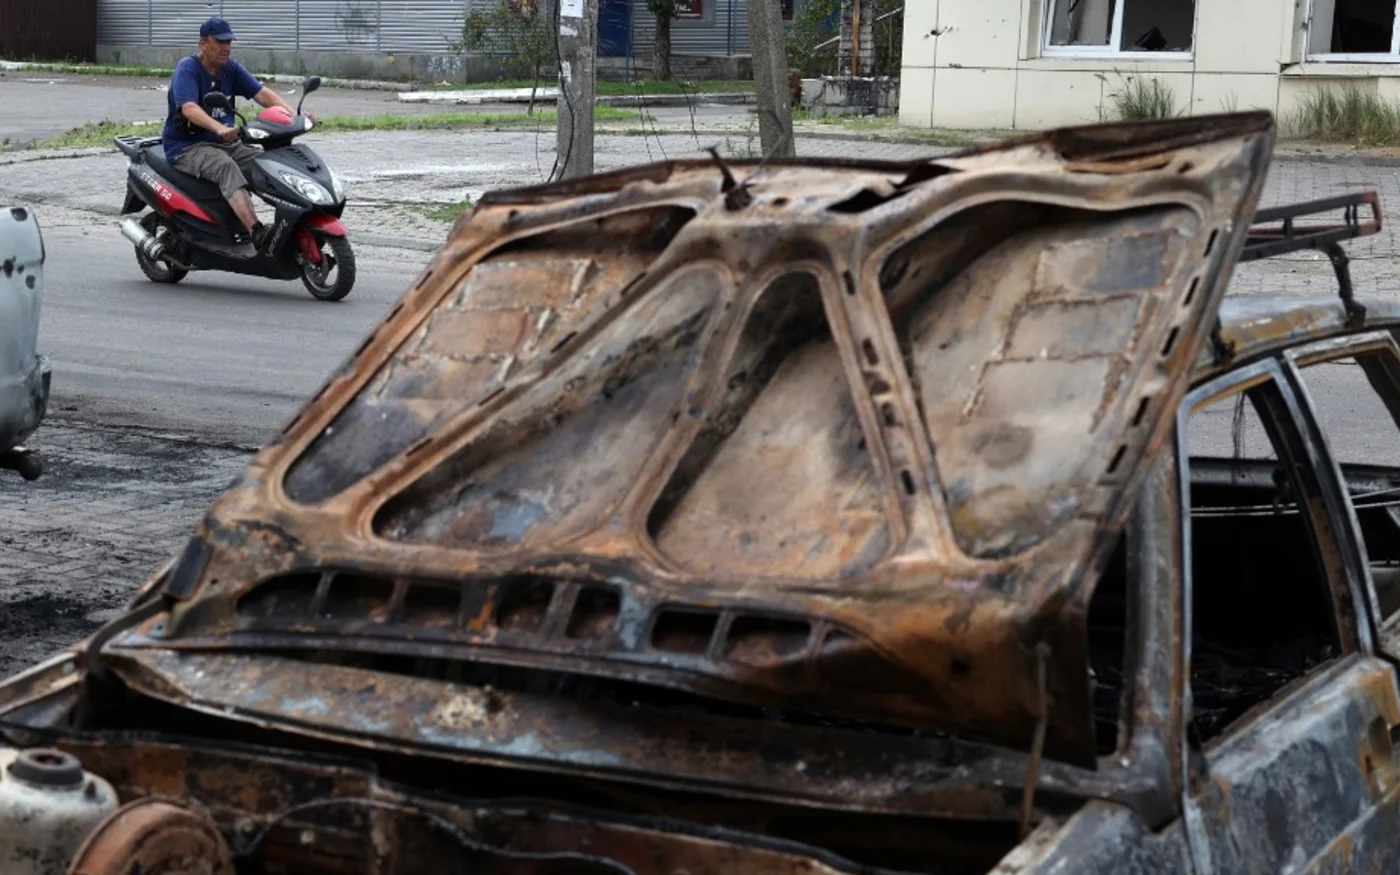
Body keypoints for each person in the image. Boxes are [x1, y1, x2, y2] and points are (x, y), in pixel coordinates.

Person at [162, 17, 307, 250]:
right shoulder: (187, 69)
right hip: (187, 146)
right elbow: (188, 108)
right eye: (220, 41)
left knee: (265, 164)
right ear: (203, 43)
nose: (226, 47)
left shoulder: (230, 69)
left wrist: (295, 116)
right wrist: (219, 127)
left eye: (229, 41)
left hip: (226, 142)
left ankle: (291, 225)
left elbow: (262, 94)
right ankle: (257, 232)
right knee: (225, 166)